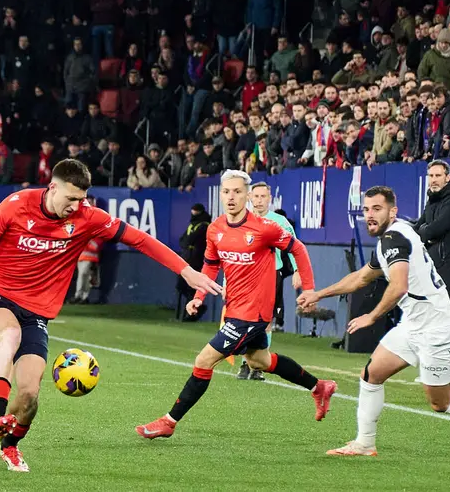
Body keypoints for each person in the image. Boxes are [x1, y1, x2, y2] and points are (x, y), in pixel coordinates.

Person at [0, 159, 222, 472]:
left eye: (81, 199)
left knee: (29, 395)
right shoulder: (16, 205)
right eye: (70, 198)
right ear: (52, 187)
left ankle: (9, 444)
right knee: (10, 336)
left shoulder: (89, 217)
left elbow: (139, 239)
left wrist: (186, 271)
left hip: (36, 311)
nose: (76, 206)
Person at [297, 186, 450, 457]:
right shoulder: (394, 235)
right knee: (371, 375)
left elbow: (398, 286)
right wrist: (319, 294)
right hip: (414, 325)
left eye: (377, 209)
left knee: (442, 403)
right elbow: (361, 278)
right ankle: (365, 443)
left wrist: (371, 317)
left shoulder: (393, 240)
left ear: (392, 211)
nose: (370, 215)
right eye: (366, 209)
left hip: (438, 330)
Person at [136, 170, 337, 440]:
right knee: (259, 360)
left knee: (204, 360)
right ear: (221, 195)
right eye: (227, 192)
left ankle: (169, 422)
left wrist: (309, 288)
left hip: (252, 314)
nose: (231, 197)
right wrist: (198, 297)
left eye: (238, 192)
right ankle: (319, 387)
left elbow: (297, 249)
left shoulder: (264, 228)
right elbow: (210, 265)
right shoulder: (215, 229)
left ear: (247, 196)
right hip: (235, 309)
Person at [237, 182, 301, 381]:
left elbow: (294, 246)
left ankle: (258, 366)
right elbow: (233, 253)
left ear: (270, 199)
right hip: (246, 276)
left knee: (266, 321)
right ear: (249, 198)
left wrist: (298, 271)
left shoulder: (278, 221)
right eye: (255, 196)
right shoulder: (241, 221)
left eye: (263, 196)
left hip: (271, 276)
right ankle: (245, 362)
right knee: (243, 319)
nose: (259, 200)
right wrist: (227, 281)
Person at [413, 161, 450, 314]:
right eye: (431, 176)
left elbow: (433, 231)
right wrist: (425, 231)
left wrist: (426, 232)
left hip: (449, 271)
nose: (433, 180)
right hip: (433, 267)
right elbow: (418, 229)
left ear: (447, 178)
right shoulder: (432, 200)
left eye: (438, 175)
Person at [177, 203, 211, 318]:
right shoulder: (192, 224)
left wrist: (188, 244)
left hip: (196, 259)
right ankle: (192, 310)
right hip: (186, 258)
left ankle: (195, 310)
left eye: (196, 210)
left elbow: (191, 239)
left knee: (192, 286)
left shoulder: (204, 225)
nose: (193, 212)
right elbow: (183, 240)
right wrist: (186, 244)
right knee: (181, 285)